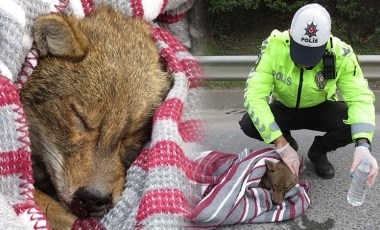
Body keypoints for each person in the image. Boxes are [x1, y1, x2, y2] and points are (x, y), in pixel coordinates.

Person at [239, 3, 378, 186]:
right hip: (286, 108)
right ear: (290, 33)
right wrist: (280, 143)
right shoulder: (273, 46)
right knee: (249, 123)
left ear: (326, 41)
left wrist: (363, 146)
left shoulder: (341, 53)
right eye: (300, 51)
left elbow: (360, 97)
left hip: (321, 107)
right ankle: (287, 141)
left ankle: (318, 151)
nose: (305, 62)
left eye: (313, 54)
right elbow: (254, 96)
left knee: (354, 125)